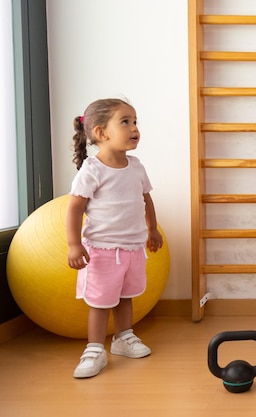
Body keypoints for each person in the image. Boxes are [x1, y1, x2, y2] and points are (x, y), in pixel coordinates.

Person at [66, 98, 163, 379]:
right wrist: (74, 244)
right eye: (125, 121)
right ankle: (95, 349)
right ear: (100, 132)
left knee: (125, 296)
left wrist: (152, 229)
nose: (134, 128)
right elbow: (74, 209)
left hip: (132, 248)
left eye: (135, 121)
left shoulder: (136, 167)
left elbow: (146, 200)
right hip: (102, 250)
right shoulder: (92, 170)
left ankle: (123, 338)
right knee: (100, 302)